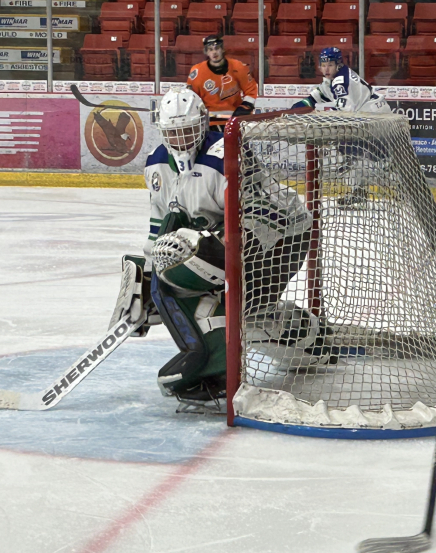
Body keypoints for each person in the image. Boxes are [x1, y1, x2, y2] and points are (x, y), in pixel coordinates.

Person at [118, 87, 327, 413]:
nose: (181, 140)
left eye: (187, 130)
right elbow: (159, 224)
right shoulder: (156, 164)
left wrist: (205, 243)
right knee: (174, 272)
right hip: (228, 237)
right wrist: (146, 283)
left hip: (282, 237)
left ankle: (226, 366)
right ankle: (297, 334)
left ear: (203, 125)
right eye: (173, 133)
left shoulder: (226, 154)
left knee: (230, 306)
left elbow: (263, 218)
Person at [292, 47, 392, 207]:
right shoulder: (331, 80)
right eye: (323, 64)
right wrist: (293, 110)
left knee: (360, 154)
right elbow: (311, 99)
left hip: (374, 119)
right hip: (373, 116)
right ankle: (358, 190)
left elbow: (344, 112)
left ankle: (363, 187)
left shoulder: (340, 81)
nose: (326, 68)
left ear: (338, 65)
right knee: (352, 152)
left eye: (330, 65)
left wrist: (319, 118)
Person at [187, 35, 258, 130]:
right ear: (206, 52)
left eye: (217, 48)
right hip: (209, 124)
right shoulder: (197, 72)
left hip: (234, 122)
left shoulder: (238, 67)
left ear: (222, 49)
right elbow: (191, 98)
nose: (214, 52)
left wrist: (244, 108)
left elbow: (251, 90)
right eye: (210, 49)